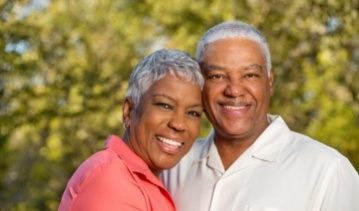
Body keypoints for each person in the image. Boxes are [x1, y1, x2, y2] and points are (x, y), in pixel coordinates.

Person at [161, 21, 359, 211]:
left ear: (270, 82)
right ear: (200, 84)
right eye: (217, 76)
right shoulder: (172, 165)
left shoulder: (327, 170)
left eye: (250, 75)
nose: (234, 90)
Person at [58, 49, 204, 211]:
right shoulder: (112, 178)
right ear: (128, 110)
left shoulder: (149, 183)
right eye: (164, 105)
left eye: (193, 113)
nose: (179, 124)